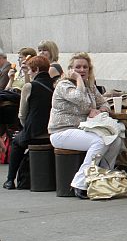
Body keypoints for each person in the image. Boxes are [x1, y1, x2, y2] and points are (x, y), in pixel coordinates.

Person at [48, 53, 120, 199]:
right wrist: (78, 79)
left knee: (115, 140)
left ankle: (103, 177)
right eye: (78, 67)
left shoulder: (90, 86)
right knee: (99, 141)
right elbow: (79, 98)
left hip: (83, 130)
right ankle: (80, 182)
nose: (82, 69)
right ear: (70, 69)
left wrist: (99, 110)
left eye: (85, 67)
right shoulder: (64, 85)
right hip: (62, 132)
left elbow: (105, 103)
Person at [4, 57, 53, 189]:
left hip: (34, 133)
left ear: (36, 69)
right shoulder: (55, 85)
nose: (29, 73)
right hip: (52, 133)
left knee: (16, 142)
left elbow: (22, 115)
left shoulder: (29, 86)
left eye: (30, 71)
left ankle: (9, 180)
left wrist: (26, 127)